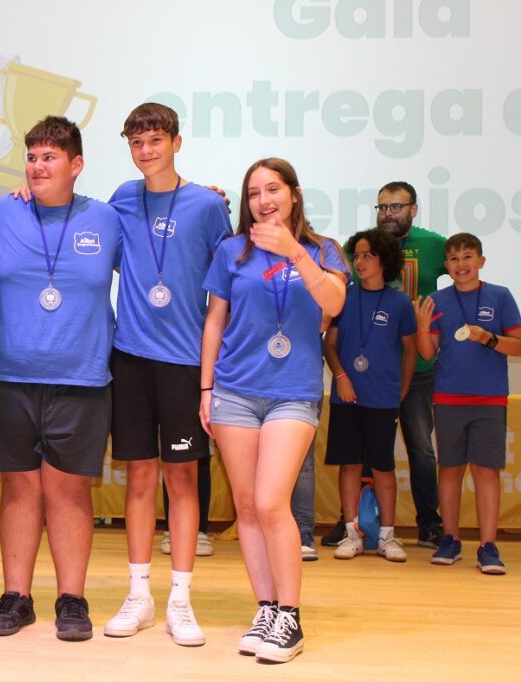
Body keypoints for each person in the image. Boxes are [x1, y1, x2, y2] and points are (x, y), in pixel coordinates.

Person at [200, 158, 348, 663]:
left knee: (269, 502)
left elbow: (333, 304)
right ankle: (265, 608)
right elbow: (215, 322)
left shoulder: (323, 250)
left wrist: (293, 252)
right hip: (234, 392)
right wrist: (206, 388)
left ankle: (290, 615)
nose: (264, 200)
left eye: (273, 189)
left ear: (294, 194)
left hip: (293, 392)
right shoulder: (231, 250)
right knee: (246, 507)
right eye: (254, 193)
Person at [0, 116, 121, 642]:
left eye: (50, 157)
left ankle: (71, 599)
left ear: (76, 164)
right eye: (32, 157)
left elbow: (159, 259)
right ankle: (16, 597)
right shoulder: (2, 211)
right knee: (19, 487)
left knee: (69, 491)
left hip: (81, 377)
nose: (38, 166)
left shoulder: (107, 219)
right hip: (9, 373)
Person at [101, 103, 230, 645]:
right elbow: (107, 256)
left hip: (184, 362)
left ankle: (180, 599)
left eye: (155, 140)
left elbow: (225, 282)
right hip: (130, 357)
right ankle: (139, 597)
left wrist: (213, 374)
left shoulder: (208, 205)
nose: (146, 150)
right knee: (138, 479)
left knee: (182, 480)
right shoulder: (121, 199)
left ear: (176, 142)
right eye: (136, 142)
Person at [323, 181, 445, 548]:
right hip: (357, 384)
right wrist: (341, 374)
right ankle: (353, 525)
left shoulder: (435, 246)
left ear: (413, 209)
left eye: (396, 206)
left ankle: (427, 524)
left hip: (410, 378)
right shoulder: (352, 271)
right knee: (354, 458)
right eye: (382, 207)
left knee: (419, 450)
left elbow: (462, 271)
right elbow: (331, 337)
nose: (388, 213)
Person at [414, 233, 521, 574]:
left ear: (481, 261)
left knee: (486, 471)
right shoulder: (437, 300)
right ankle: (450, 539)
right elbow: (427, 353)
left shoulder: (500, 296)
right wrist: (421, 328)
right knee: (450, 469)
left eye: (468, 257)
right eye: (454, 258)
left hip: (489, 398)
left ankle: (488, 546)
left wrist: (489, 339)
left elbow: (518, 346)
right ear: (446, 265)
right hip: (448, 397)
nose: (461, 264)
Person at [323, 228, 416, 562]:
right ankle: (352, 534)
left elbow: (410, 350)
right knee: (349, 465)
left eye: (368, 255)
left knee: (382, 467)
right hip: (346, 397)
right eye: (357, 255)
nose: (360, 262)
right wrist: (341, 376)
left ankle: (388, 536)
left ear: (384, 260)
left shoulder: (400, 303)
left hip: (382, 398)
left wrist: (402, 389)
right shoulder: (343, 297)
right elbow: (329, 345)